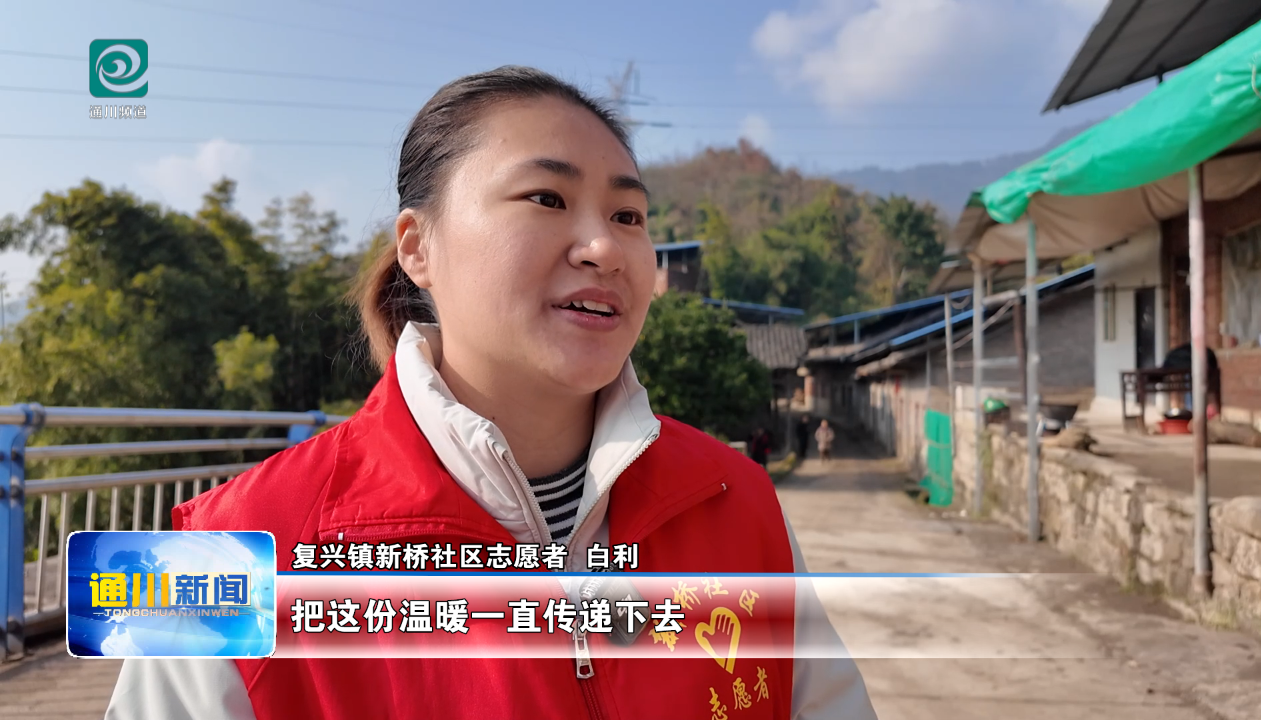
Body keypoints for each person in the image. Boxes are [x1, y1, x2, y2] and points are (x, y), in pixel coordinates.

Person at [106, 66, 876, 720]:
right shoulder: (228, 554)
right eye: (546, 198)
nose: (604, 247)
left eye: (628, 215)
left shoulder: (737, 503)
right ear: (417, 247)